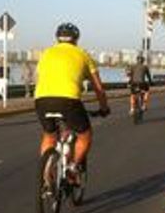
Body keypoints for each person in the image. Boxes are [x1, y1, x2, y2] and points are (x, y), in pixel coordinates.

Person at [34, 23, 110, 180]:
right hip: (69, 100)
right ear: (76, 39)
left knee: (49, 135)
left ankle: (46, 175)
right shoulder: (83, 55)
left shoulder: (46, 53)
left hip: (41, 99)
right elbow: (98, 88)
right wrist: (104, 108)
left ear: (57, 38)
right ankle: (73, 167)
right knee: (85, 135)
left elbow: (39, 78)